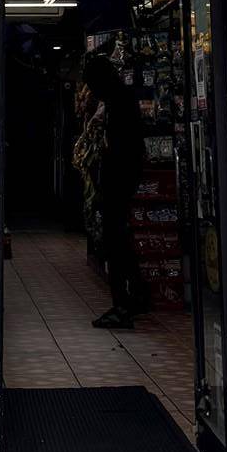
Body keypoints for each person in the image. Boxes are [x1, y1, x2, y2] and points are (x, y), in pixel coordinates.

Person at [81, 53, 147, 328]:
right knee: (120, 238)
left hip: (118, 179)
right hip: (124, 178)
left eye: (92, 85)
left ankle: (122, 306)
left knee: (114, 240)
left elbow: (120, 146)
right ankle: (140, 295)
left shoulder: (118, 102)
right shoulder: (119, 98)